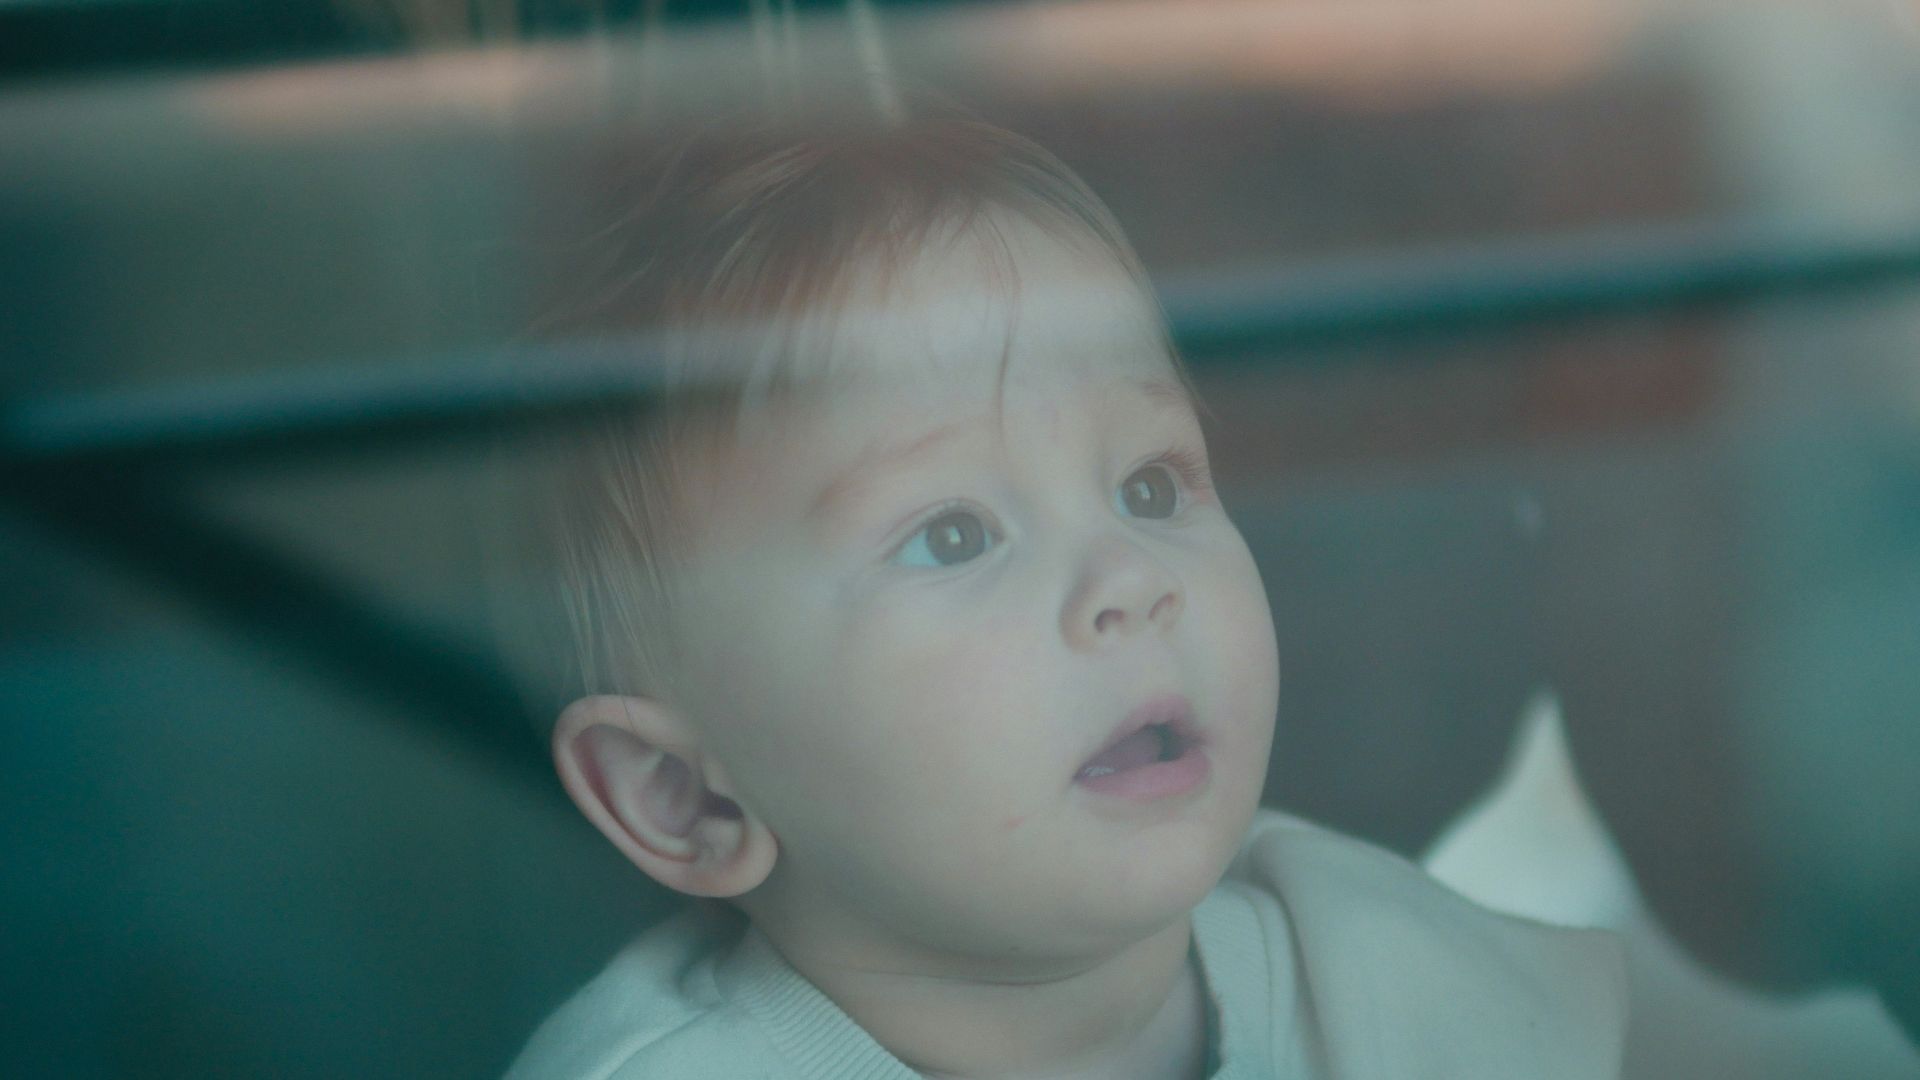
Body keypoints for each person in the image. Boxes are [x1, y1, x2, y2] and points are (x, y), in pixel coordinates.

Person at [505, 115, 1627, 1079]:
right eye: (954, 535)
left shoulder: (1367, 959)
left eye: (1149, 484)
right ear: (684, 798)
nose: (1131, 580)